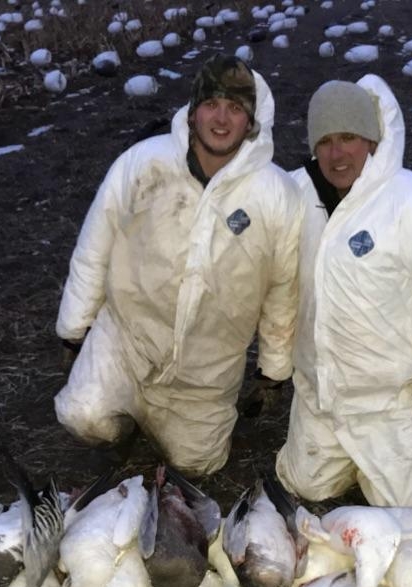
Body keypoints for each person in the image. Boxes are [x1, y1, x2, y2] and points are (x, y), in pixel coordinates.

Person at [54, 55, 300, 476]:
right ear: (192, 112)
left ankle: (170, 422)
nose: (221, 119)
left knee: (199, 465)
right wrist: (73, 330)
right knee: (82, 413)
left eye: (236, 109)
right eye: (211, 104)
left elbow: (283, 289)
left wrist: (273, 372)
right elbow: (94, 246)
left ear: (252, 122)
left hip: (207, 367)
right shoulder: (143, 163)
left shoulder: (277, 195)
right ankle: (121, 427)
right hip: (128, 340)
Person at [275, 76, 412, 515]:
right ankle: (339, 456)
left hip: (390, 402)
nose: (337, 153)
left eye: (349, 137)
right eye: (326, 141)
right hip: (320, 396)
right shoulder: (296, 194)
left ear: (372, 139)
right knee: (303, 487)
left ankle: (408, 449)